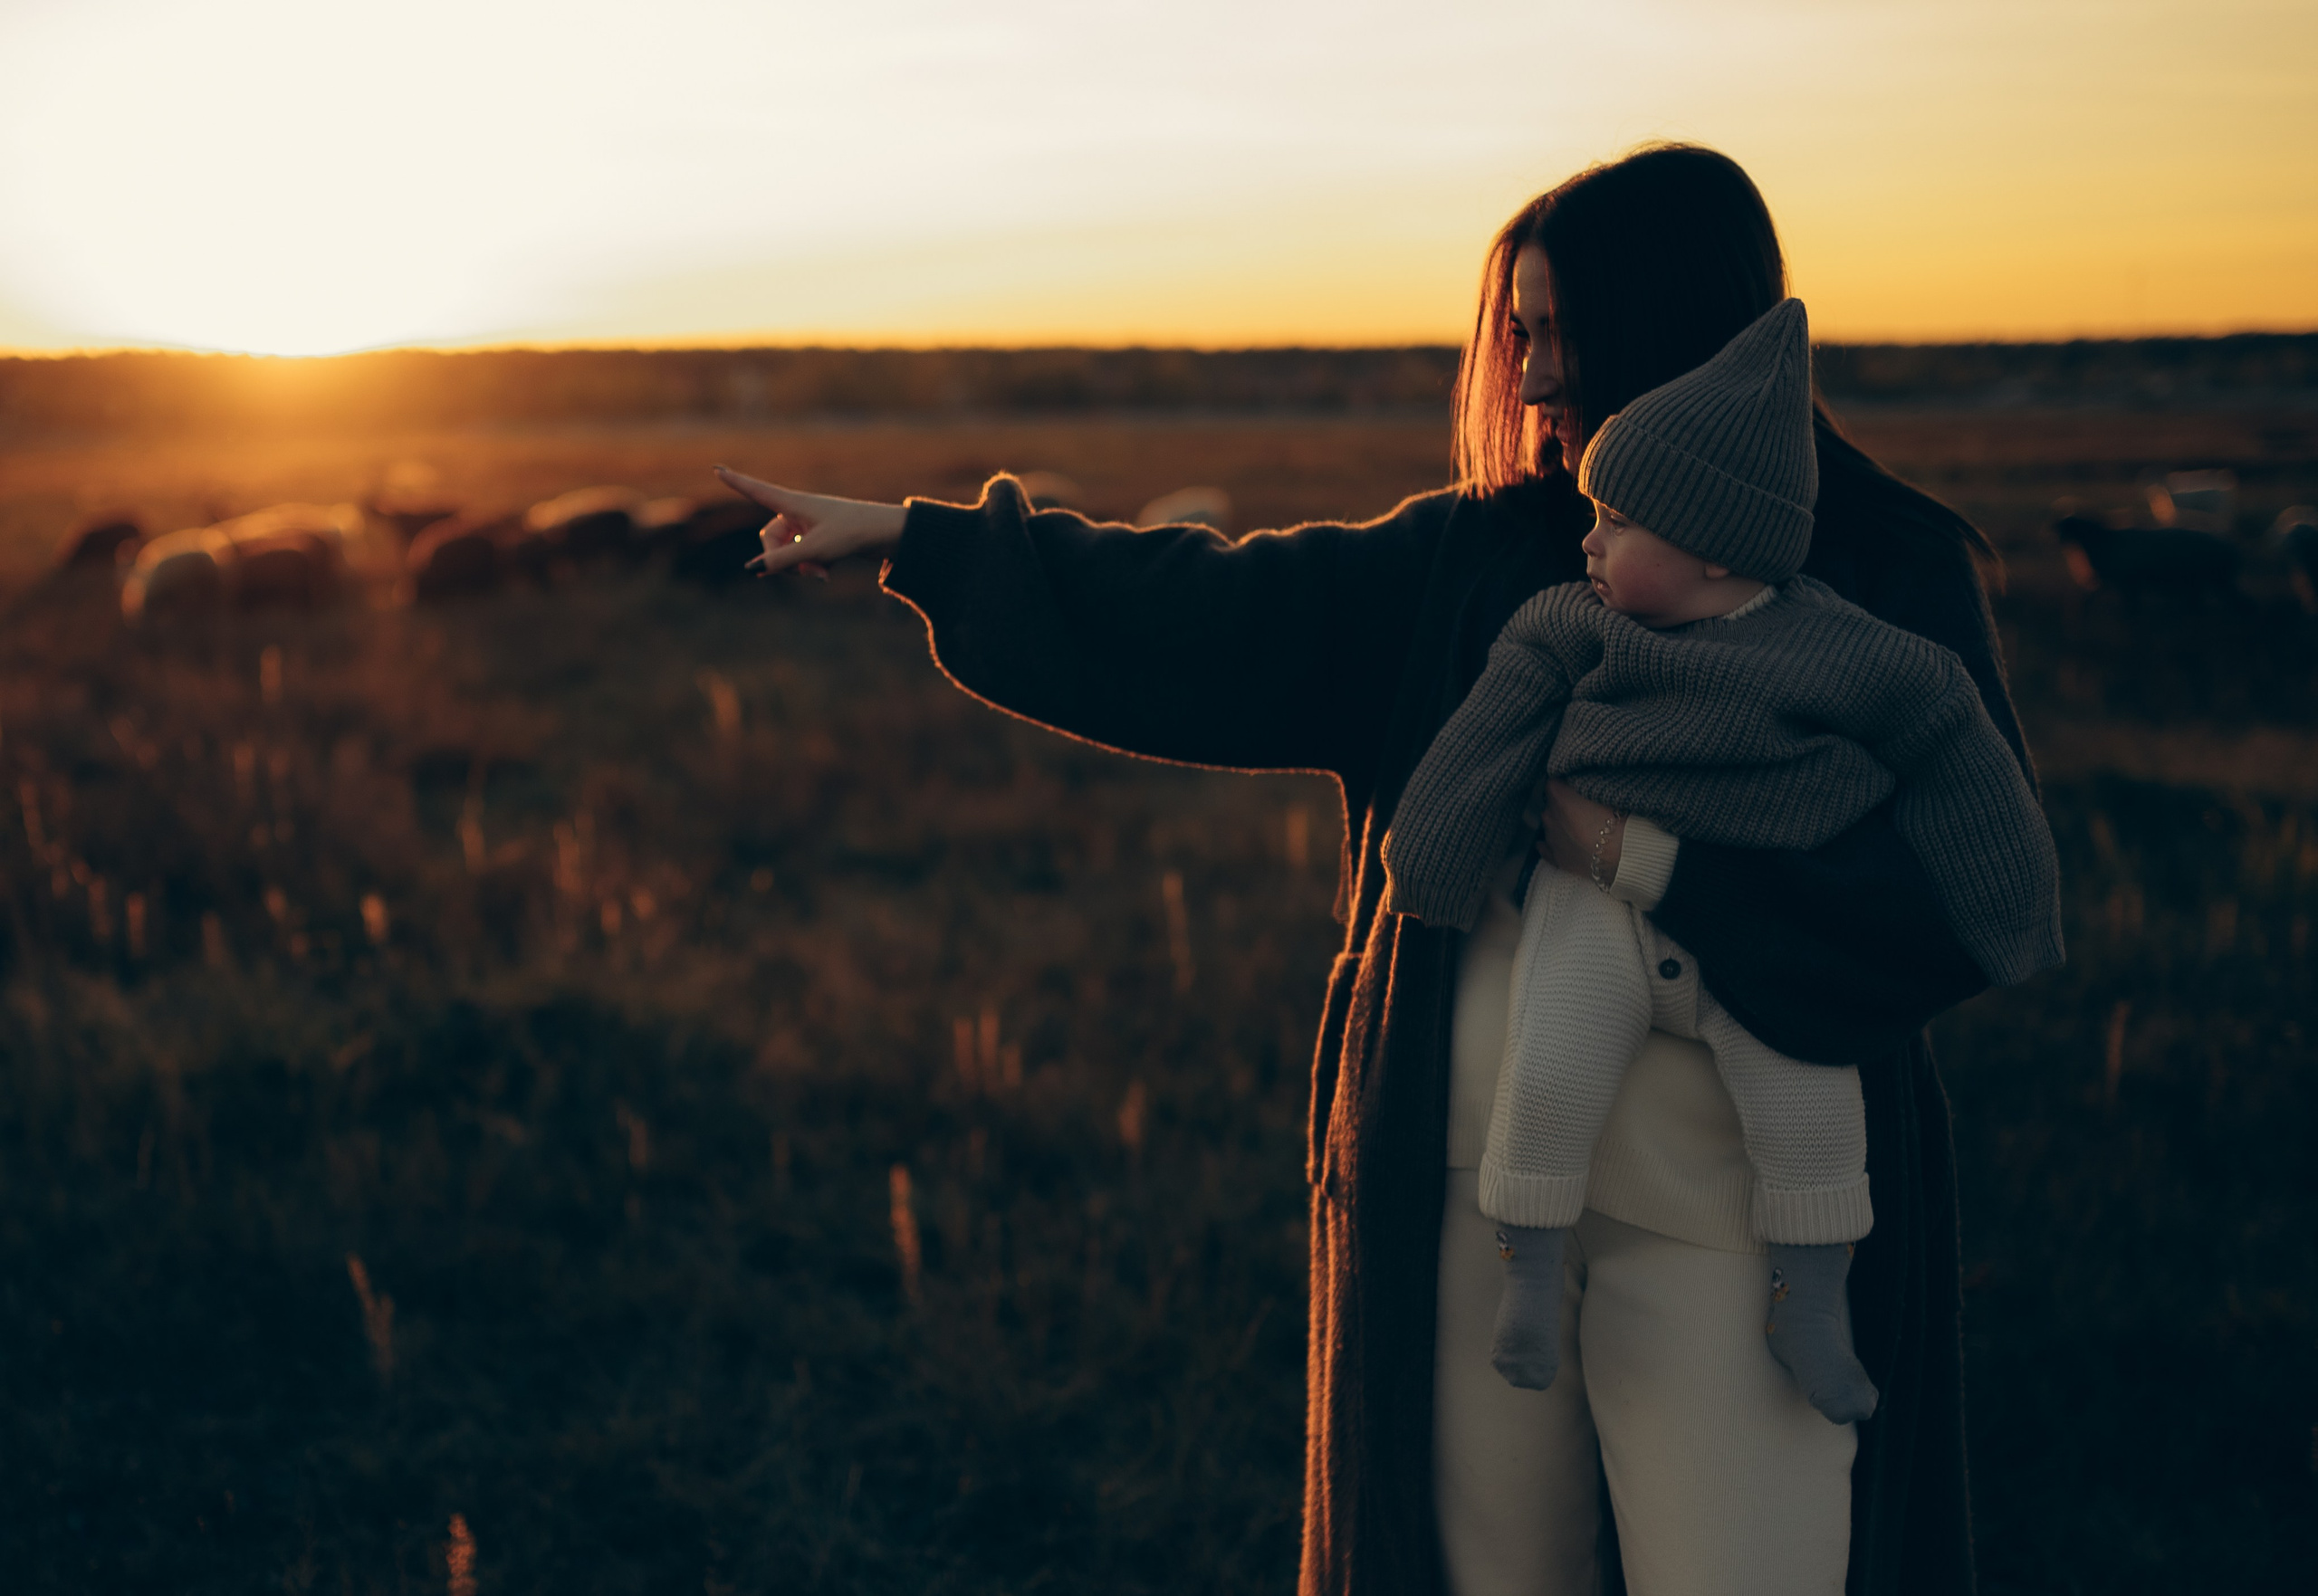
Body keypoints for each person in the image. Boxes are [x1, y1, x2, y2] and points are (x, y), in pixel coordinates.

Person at [716, 143, 2026, 1596]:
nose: (1528, 383)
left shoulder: (1886, 578)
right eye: (1517, 335)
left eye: (1556, 334)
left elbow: (1950, 903)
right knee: (1477, 1573)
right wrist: (927, 541)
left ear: (1671, 318)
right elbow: (1215, 611)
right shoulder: (1476, 557)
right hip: (1464, 1180)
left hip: (1742, 1207)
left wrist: (1645, 862)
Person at [1377, 298, 2062, 1434]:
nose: (1584, 540)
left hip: (1754, 932)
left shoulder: (1835, 644)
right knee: (1546, 1071)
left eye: (1614, 521)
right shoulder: (1573, 626)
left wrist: (2009, 894)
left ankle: (1809, 1305)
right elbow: (1488, 737)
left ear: (1708, 543)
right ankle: (1530, 1284)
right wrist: (1430, 859)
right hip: (1592, 905)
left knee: (1807, 1105)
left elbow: (1942, 723)